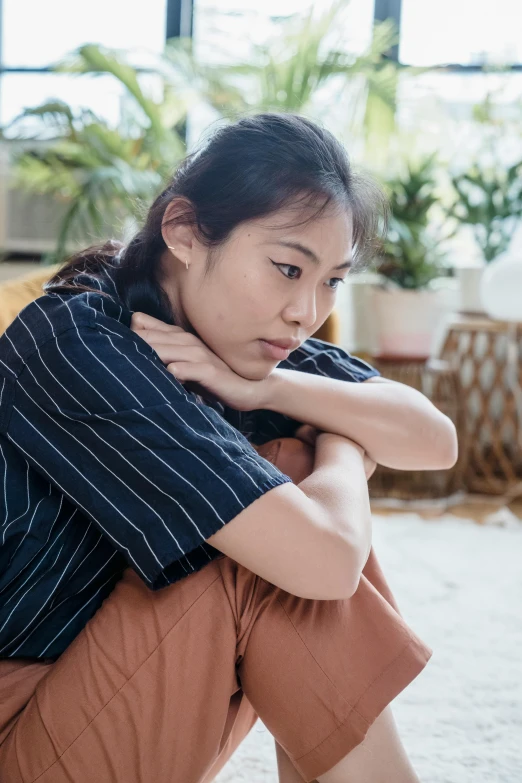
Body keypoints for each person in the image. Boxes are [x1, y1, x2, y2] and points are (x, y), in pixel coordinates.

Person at [0, 112, 457, 783]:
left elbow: (432, 438)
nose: (307, 310)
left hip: (98, 698)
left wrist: (273, 389)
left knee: (286, 494)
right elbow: (327, 563)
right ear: (183, 231)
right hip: (20, 721)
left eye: (332, 279)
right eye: (285, 267)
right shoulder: (77, 341)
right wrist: (341, 447)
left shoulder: (240, 342)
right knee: (274, 526)